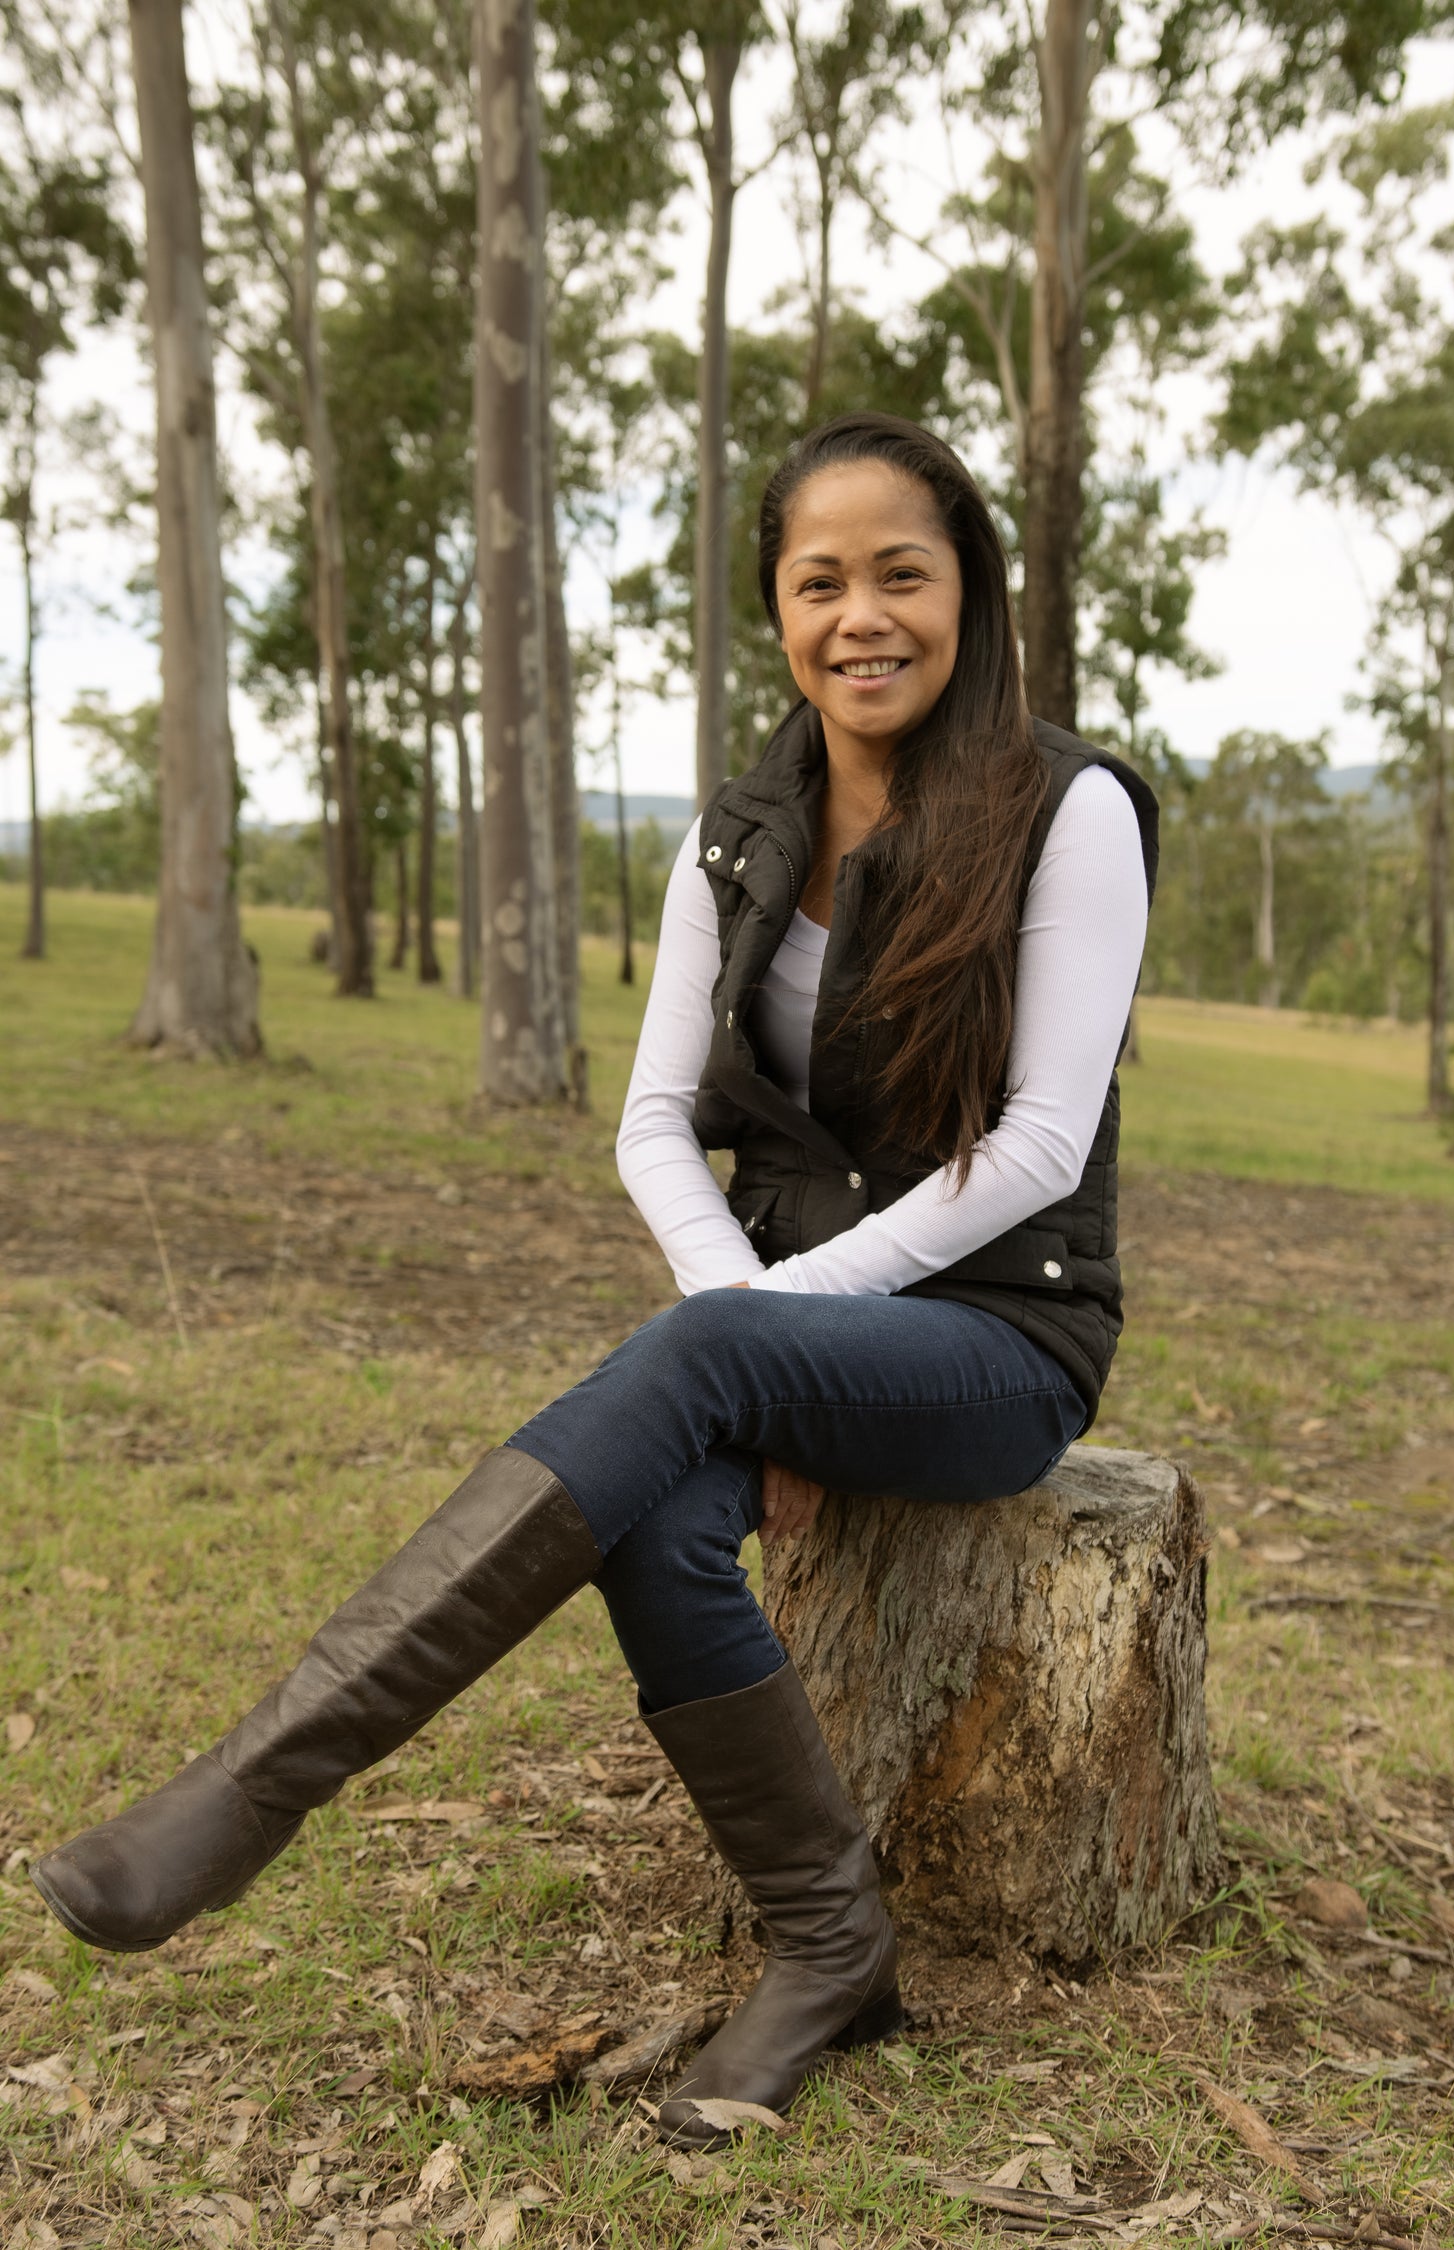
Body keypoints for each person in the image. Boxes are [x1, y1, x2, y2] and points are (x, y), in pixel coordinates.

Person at [31, 413, 1156, 2149]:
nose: (862, 616)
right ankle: (832, 1939)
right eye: (820, 581)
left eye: (902, 575)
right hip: (775, 1327)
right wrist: (747, 1323)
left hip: (1002, 1330)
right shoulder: (742, 832)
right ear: (778, 608)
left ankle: (253, 1791)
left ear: (970, 591)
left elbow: (1033, 1146)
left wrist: (765, 1330)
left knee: (691, 1376)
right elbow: (648, 1123)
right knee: (649, 1513)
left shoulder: (1069, 811)